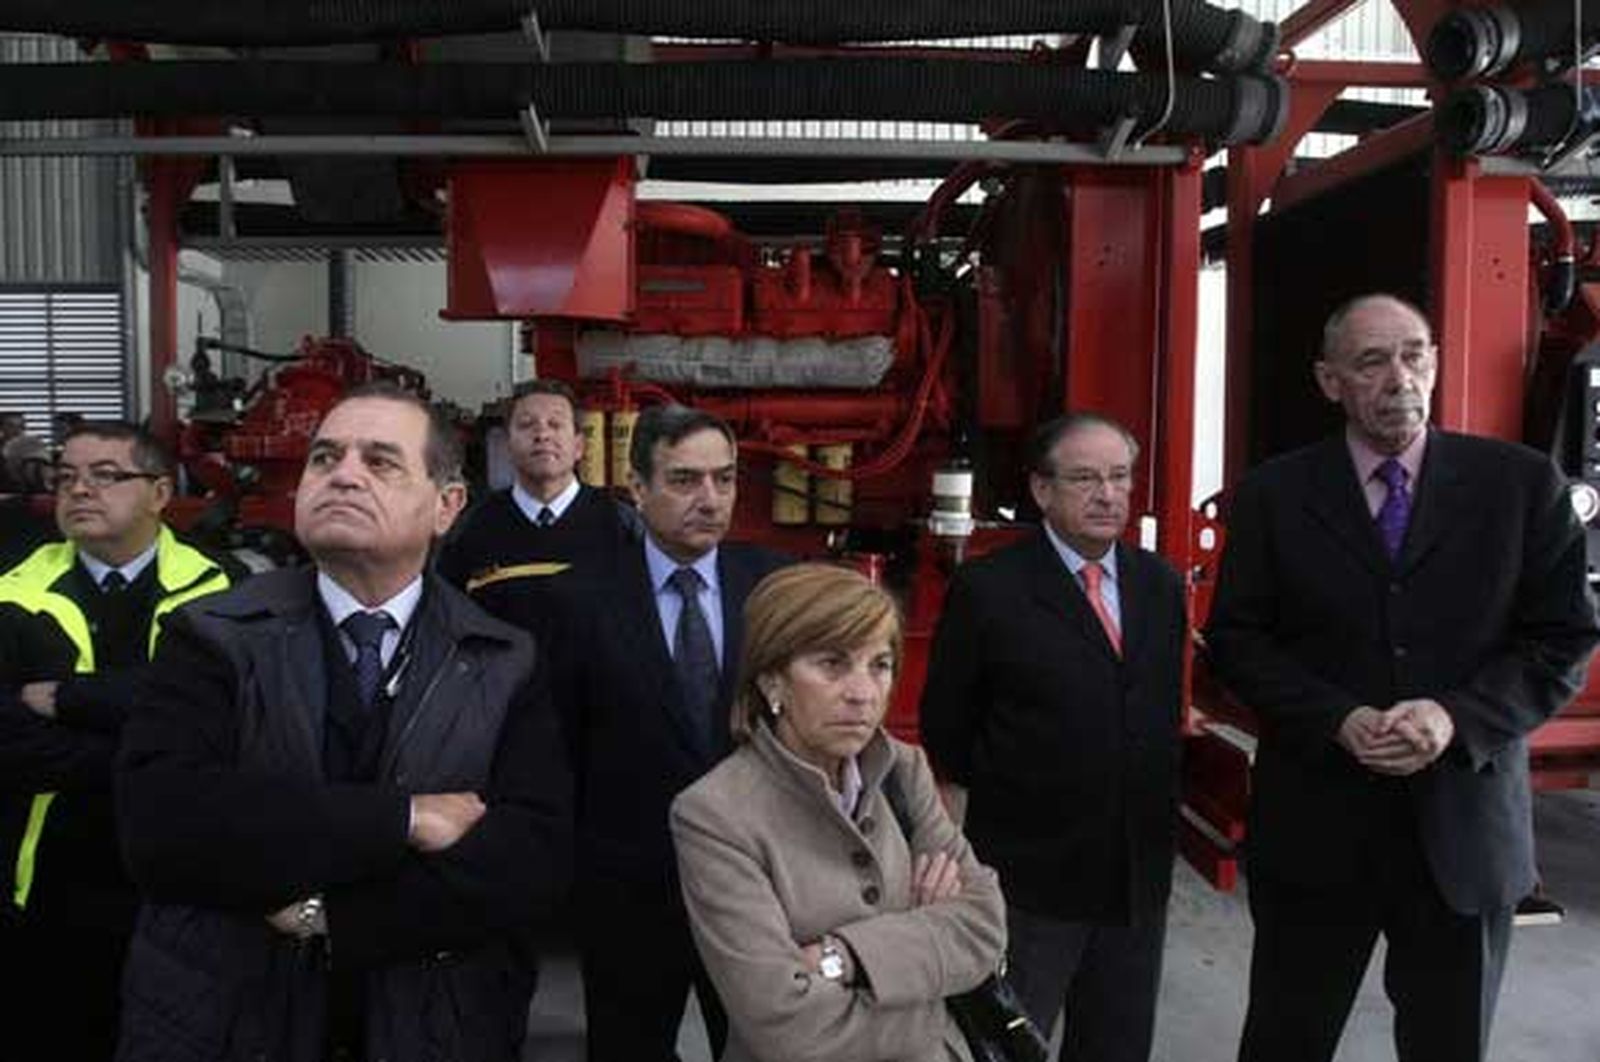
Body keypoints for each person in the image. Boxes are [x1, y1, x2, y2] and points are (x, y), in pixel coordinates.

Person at [114, 382, 573, 1062]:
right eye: (325, 458)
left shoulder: (504, 660)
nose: (344, 474)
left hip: (436, 1024)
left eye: (381, 462)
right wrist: (403, 819)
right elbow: (165, 825)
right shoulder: (213, 636)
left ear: (446, 506)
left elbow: (528, 858)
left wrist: (331, 918)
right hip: (226, 1020)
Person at [1205, 293, 1600, 1062]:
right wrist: (1335, 717)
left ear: (1436, 364)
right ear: (1329, 381)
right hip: (1319, 831)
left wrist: (1457, 718)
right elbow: (1237, 640)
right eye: (1371, 361)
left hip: (1462, 832)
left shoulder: (1521, 488)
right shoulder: (1274, 497)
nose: (1399, 376)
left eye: (1414, 353)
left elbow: (1563, 640)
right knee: (1287, 1037)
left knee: (1449, 1045)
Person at [921, 413, 1187, 1062]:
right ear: (1042, 491)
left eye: (1121, 477)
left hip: (1135, 880)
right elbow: (948, 726)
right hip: (1031, 879)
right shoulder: (990, 590)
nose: (1109, 494)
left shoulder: (1159, 583)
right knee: (1010, 1044)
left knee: (1118, 1045)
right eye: (1086, 478)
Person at [672, 563, 1006, 1062]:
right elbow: (783, 1025)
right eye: (832, 664)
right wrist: (929, 985)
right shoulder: (714, 815)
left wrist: (842, 957)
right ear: (771, 681)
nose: (863, 693)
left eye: (881, 664)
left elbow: (984, 925)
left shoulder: (902, 770)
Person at [544, 403, 787, 1062]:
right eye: (684, 480)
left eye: (725, 479)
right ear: (637, 488)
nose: (710, 499)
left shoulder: (773, 586)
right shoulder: (579, 601)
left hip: (756, 887)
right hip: (629, 890)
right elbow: (558, 749)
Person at [0, 421, 230, 1061]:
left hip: (182, 882)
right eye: (66, 476)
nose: (79, 490)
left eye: (106, 475)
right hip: (43, 881)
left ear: (159, 492)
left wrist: (70, 700)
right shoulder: (12, 595)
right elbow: (8, 746)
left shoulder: (222, 593)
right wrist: (153, 753)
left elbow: (226, 727)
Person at [436, 379, 630, 631]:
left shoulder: (622, 525)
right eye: (527, 425)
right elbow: (444, 621)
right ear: (507, 444)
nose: (542, 435)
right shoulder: (469, 529)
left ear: (579, 446)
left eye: (556, 424)